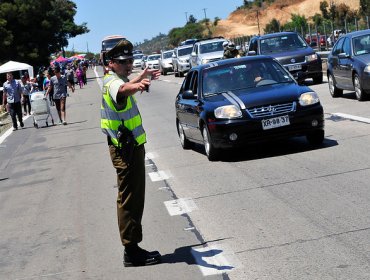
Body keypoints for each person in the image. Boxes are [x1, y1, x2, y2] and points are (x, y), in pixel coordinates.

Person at [101, 39, 161, 267]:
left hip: (130, 149)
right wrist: (138, 86)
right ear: (111, 63)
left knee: (135, 198)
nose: (129, 65)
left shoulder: (116, 79)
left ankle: (133, 247)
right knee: (129, 200)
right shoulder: (111, 83)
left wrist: (141, 76)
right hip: (125, 152)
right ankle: (131, 251)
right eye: (124, 61)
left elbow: (125, 84)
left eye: (130, 60)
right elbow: (123, 89)